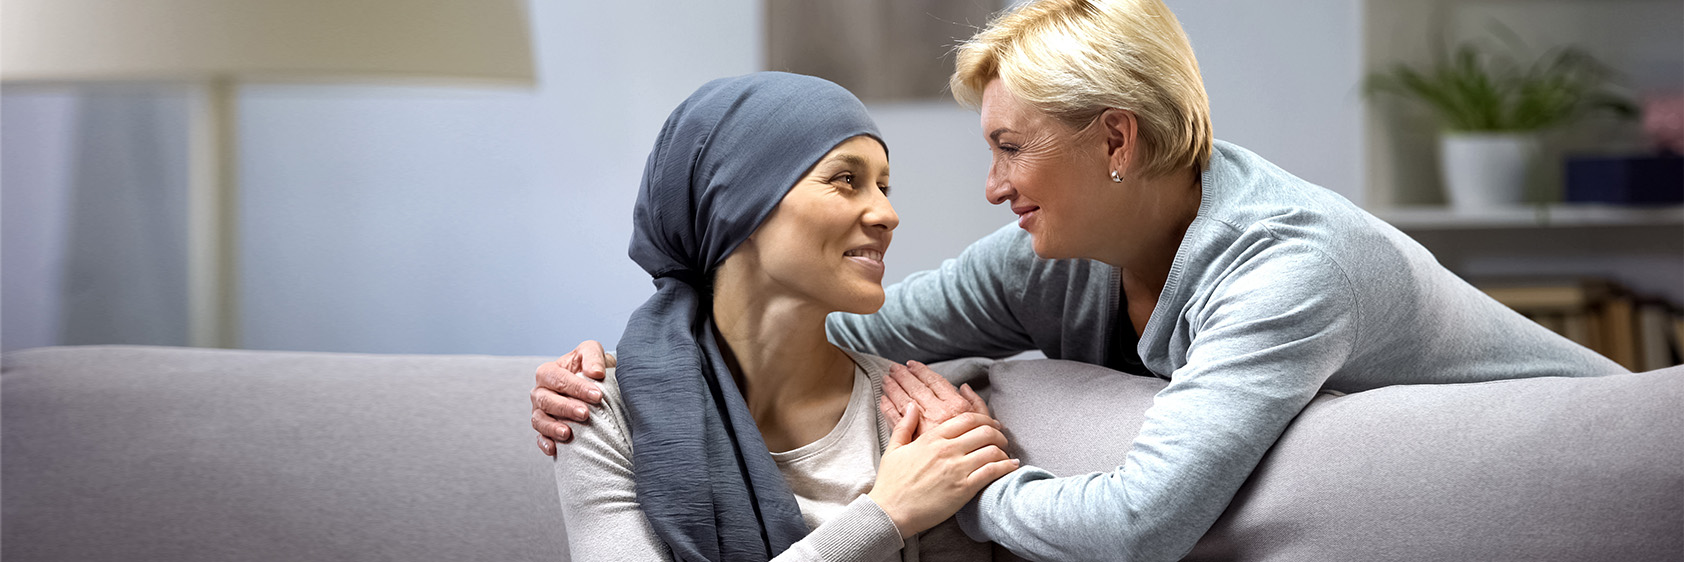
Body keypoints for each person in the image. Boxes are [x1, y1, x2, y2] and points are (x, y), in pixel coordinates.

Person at [534, 1, 1628, 560]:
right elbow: (847, 332)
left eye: (1012, 147)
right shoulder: (1049, 262)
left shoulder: (1291, 266)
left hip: (1592, 472)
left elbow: (1140, 524)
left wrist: (953, 491)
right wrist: (622, 372)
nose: (991, 184)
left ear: (1115, 140)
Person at [550, 71, 1016, 561]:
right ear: (736, 205)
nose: (887, 214)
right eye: (846, 180)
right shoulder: (599, 413)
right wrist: (884, 516)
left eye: (883, 186)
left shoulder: (915, 418)